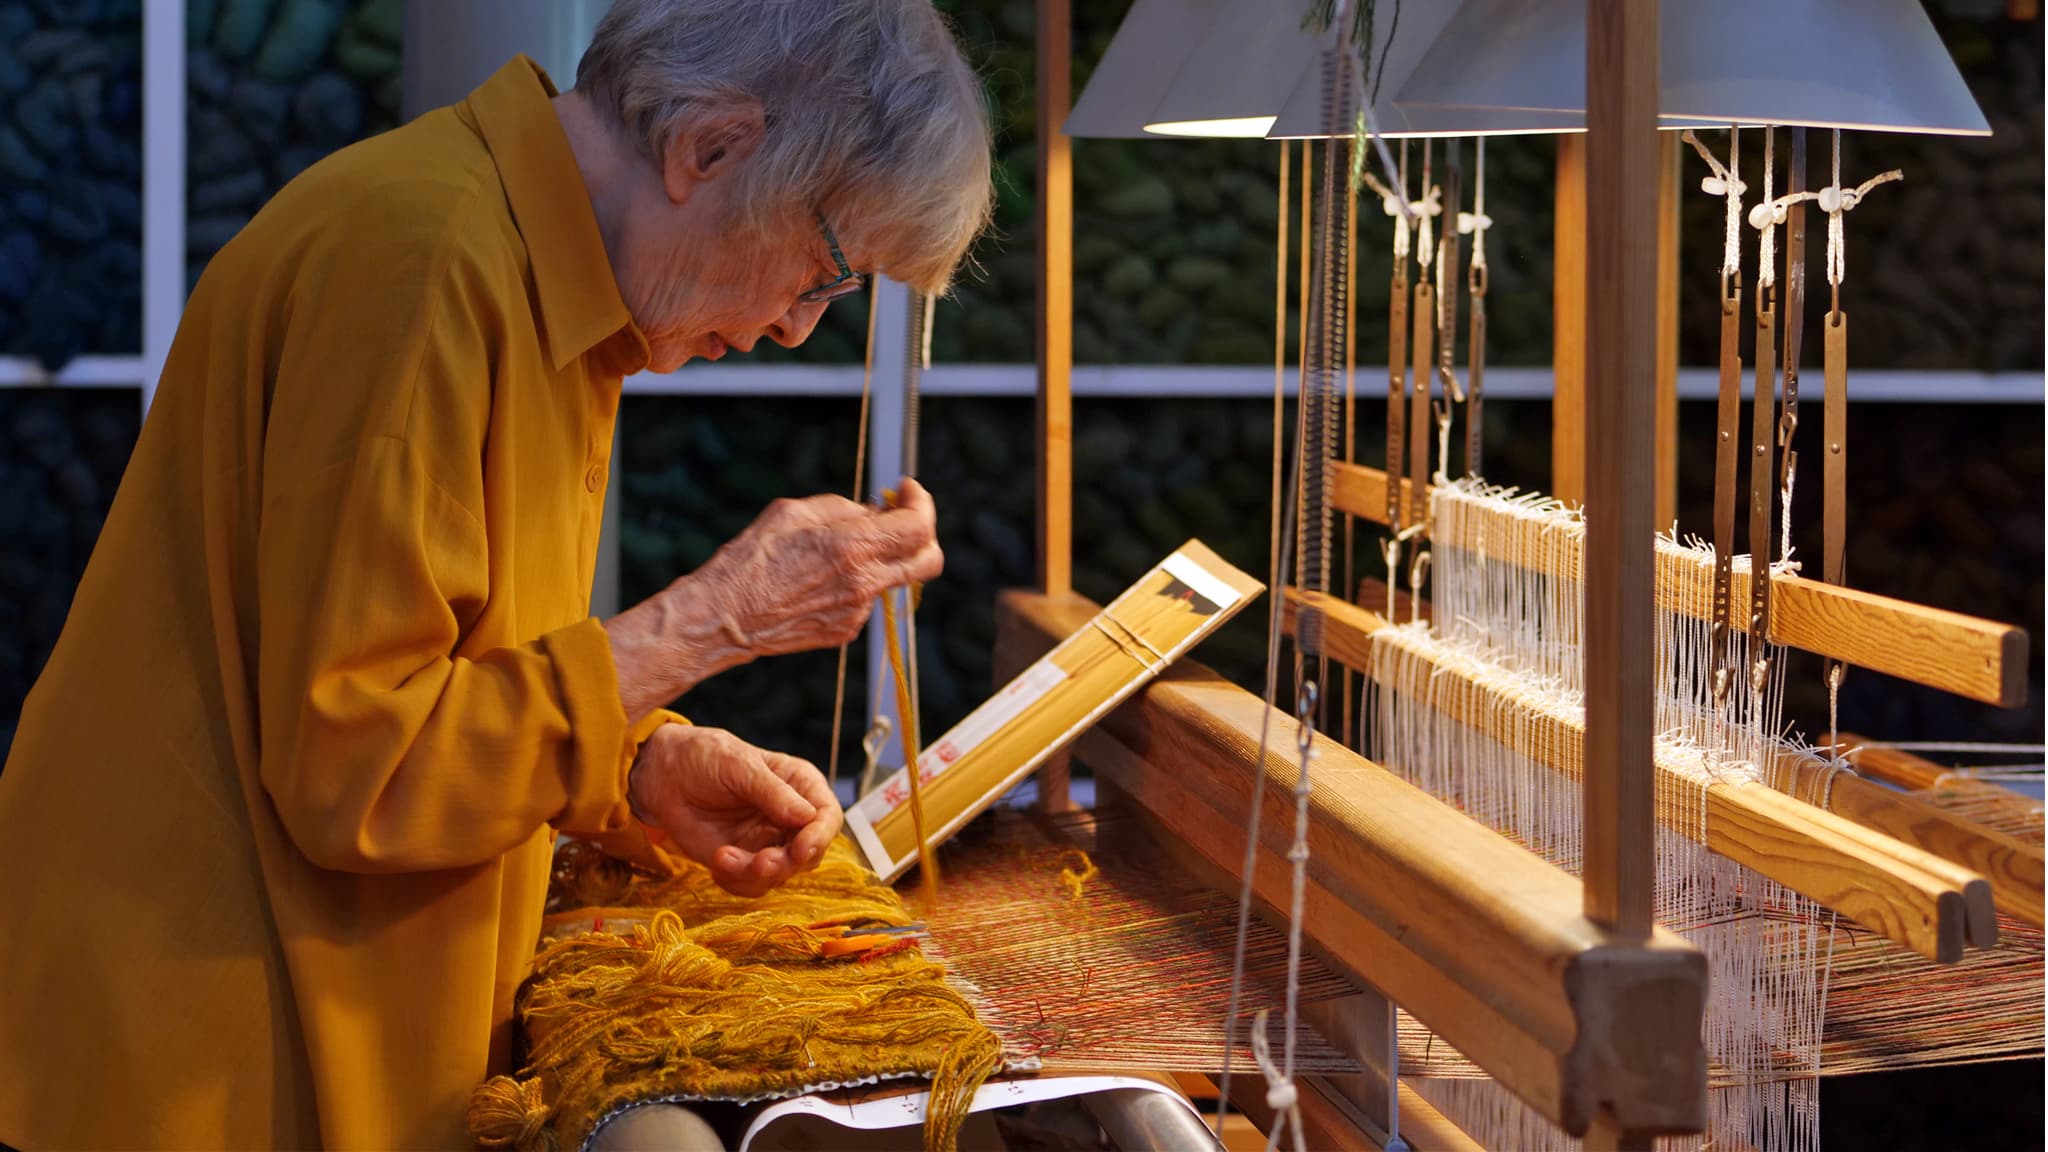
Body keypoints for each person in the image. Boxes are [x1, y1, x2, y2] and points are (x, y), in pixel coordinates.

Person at [0, 0, 991, 1146]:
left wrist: (636, 763)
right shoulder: (426, 265)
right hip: (189, 1053)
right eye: (824, 271)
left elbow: (443, 665)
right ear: (708, 147)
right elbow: (360, 770)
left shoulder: (528, 274)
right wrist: (714, 618)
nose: (794, 329)